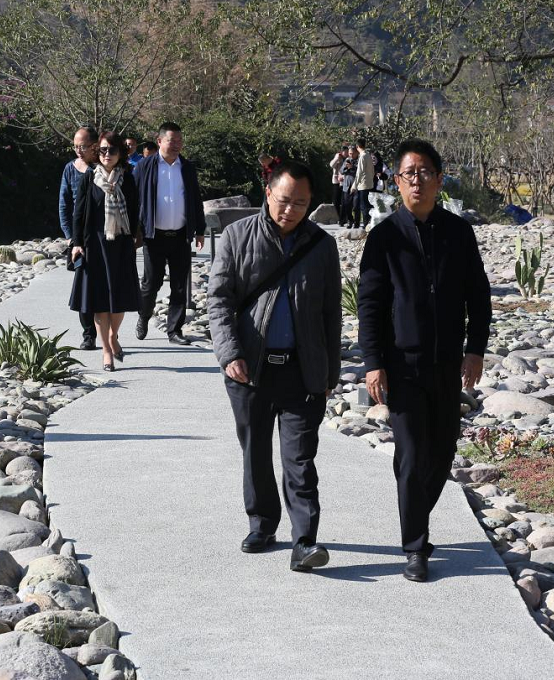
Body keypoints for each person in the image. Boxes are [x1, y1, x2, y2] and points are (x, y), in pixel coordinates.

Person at [357, 138, 491, 583]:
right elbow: (370, 305)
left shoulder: (458, 232)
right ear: (396, 182)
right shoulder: (384, 237)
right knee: (413, 454)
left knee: (442, 450)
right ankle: (416, 546)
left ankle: (413, 508)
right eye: (409, 173)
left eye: (425, 172)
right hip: (402, 364)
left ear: (439, 178)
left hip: (447, 362)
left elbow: (478, 296)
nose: (417, 180)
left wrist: (475, 349)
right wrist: (373, 362)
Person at [208, 161, 341, 572]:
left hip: (302, 369)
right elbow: (219, 301)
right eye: (284, 200)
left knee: (299, 459)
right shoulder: (236, 236)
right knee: (256, 452)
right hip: (250, 368)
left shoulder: (321, 246)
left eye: (300, 203)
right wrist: (230, 354)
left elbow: (331, 313)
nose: (290, 210)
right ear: (267, 193)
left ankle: (305, 541)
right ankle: (262, 524)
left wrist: (330, 372)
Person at [69, 131, 141, 372]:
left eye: (112, 150)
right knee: (99, 300)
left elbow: (135, 210)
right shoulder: (89, 179)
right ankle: (107, 351)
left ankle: (112, 336)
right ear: (96, 152)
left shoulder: (127, 179)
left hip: (121, 244)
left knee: (119, 299)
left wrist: (134, 238)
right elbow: (79, 213)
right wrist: (77, 242)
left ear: (120, 153)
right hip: (95, 245)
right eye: (102, 150)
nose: (107, 154)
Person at [134, 121, 205, 345]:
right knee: (151, 283)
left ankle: (175, 330)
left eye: (179, 141)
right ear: (159, 141)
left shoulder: (187, 167)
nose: (176, 145)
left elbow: (195, 199)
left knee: (180, 285)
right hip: (154, 236)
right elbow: (133, 198)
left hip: (181, 236)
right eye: (171, 141)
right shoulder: (145, 166)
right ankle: (144, 315)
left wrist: (200, 229)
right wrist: (133, 230)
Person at [59, 127, 100, 350]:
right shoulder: (70, 169)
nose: (78, 150)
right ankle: (88, 334)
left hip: (103, 235)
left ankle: (108, 334)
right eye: (75, 146)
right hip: (80, 237)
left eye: (82, 146)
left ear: (94, 145)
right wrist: (71, 237)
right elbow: (64, 204)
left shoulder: (103, 168)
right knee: (83, 286)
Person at [351, 138, 376, 229]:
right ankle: (369, 225)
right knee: (368, 206)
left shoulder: (362, 156)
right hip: (369, 184)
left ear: (357, 146)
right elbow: (373, 170)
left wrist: (354, 186)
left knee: (364, 207)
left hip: (363, 185)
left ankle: (366, 226)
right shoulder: (368, 155)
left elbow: (359, 173)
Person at [339, 145, 359, 227]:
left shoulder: (359, 160)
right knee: (347, 205)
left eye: (352, 153)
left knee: (356, 206)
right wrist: (347, 168)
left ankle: (357, 223)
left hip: (356, 186)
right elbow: (341, 171)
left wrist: (352, 167)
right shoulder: (347, 160)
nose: (351, 155)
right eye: (350, 153)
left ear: (356, 152)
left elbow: (359, 172)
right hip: (347, 185)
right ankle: (350, 220)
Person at [329, 145, 348, 215]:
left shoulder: (348, 159)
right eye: (345, 152)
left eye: (347, 152)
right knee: (336, 200)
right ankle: (336, 215)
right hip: (336, 181)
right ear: (341, 152)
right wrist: (337, 158)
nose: (346, 153)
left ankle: (343, 216)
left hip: (344, 181)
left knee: (344, 200)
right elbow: (331, 165)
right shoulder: (337, 157)